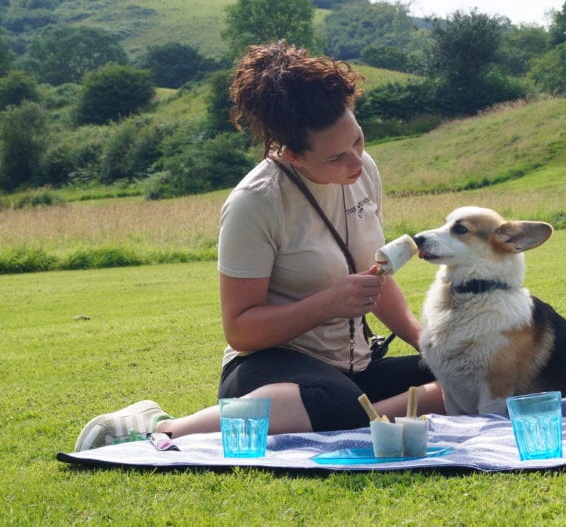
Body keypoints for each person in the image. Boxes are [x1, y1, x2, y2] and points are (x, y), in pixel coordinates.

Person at [74, 40, 444, 451]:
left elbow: (374, 281)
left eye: (357, 141)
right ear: (290, 155)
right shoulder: (255, 202)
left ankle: (373, 415)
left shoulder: (363, 171)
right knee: (334, 400)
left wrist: (429, 344)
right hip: (271, 371)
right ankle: (160, 427)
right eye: (337, 157)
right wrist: (327, 303)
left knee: (463, 374)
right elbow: (241, 329)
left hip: (351, 369)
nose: (356, 164)